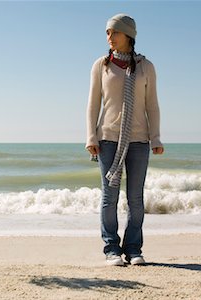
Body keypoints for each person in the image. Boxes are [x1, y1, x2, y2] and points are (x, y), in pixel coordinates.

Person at [86, 13, 164, 266]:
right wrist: (91, 136)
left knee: (135, 198)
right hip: (107, 138)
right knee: (109, 197)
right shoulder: (101, 65)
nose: (109, 37)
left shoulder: (145, 66)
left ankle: (133, 249)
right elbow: (93, 105)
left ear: (128, 35)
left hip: (139, 141)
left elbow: (152, 105)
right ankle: (111, 249)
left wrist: (156, 137)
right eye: (107, 32)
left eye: (114, 32)